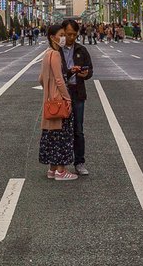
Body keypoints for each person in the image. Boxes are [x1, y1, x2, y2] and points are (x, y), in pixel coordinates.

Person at [39, 24, 77, 181]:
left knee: (51, 134)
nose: (63, 38)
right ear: (52, 37)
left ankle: (52, 169)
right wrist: (67, 98)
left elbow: (41, 79)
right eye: (61, 34)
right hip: (59, 101)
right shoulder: (55, 55)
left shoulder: (46, 54)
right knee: (62, 134)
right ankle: (61, 171)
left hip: (49, 100)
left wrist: (48, 90)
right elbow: (60, 80)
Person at [60, 19, 94, 176]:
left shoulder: (81, 49)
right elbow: (56, 73)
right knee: (60, 129)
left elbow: (90, 70)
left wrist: (85, 74)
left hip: (78, 92)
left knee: (78, 129)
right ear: (63, 33)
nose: (71, 38)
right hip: (61, 94)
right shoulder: (57, 51)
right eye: (68, 34)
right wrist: (70, 71)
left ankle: (79, 162)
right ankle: (60, 164)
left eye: (74, 34)